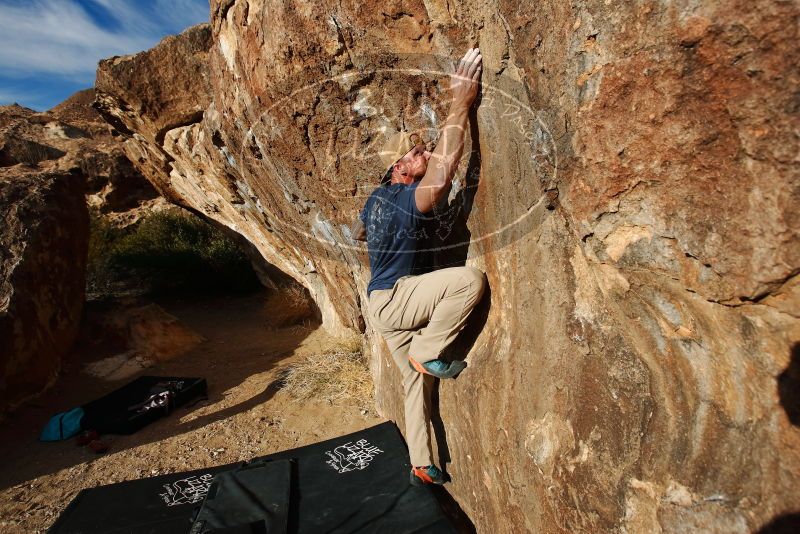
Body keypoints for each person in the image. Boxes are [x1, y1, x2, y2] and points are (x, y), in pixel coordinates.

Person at [352, 48, 486, 486]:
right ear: (398, 169)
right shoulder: (402, 201)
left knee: (415, 386)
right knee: (468, 281)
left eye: (423, 151)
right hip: (396, 301)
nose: (424, 155)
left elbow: (358, 234)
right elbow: (445, 176)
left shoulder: (376, 200)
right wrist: (460, 104)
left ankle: (421, 464)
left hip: (383, 307)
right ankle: (429, 350)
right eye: (414, 155)